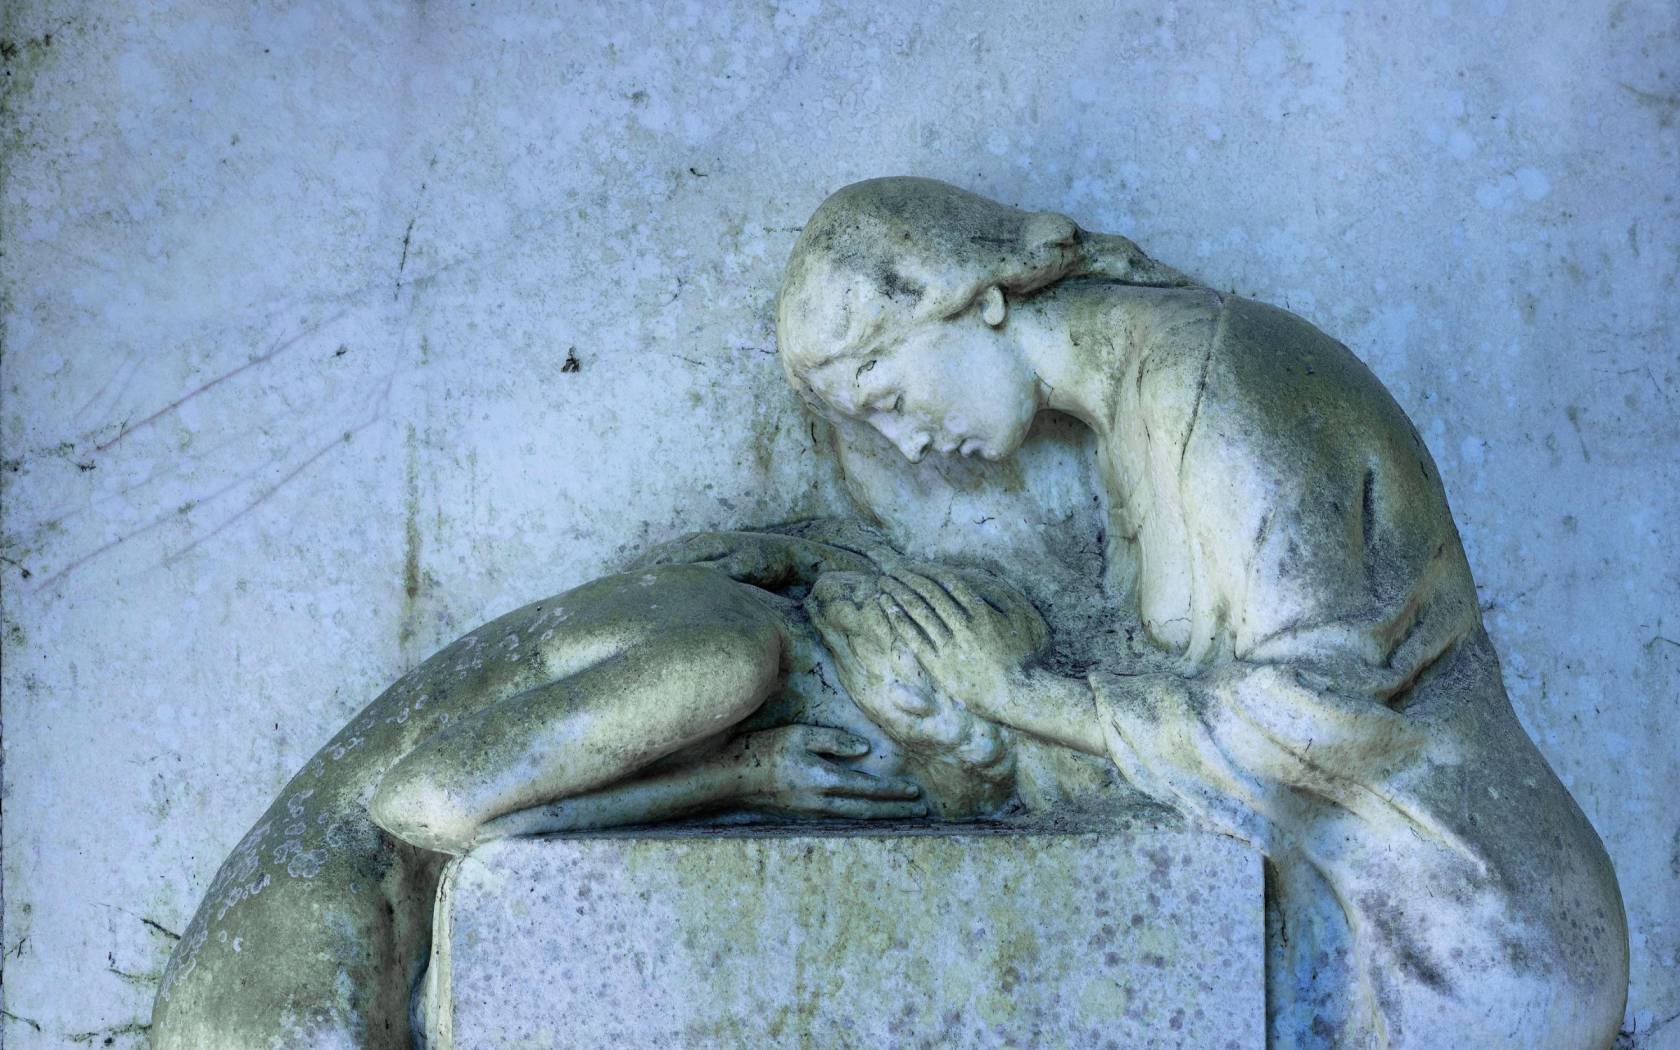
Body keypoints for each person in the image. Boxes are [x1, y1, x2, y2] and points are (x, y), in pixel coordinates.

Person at [773, 177, 1629, 1049]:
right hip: (1361, 915)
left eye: (888, 399)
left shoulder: (1218, 384)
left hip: (1462, 932)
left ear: (982, 300)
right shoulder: (1135, 409)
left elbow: (1323, 716)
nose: (909, 444)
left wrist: (1019, 693)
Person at [150, 524, 1036, 1050]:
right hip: (282, 991)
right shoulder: (725, 657)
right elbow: (426, 804)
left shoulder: (717, 613)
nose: (895, 771)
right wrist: (742, 776)